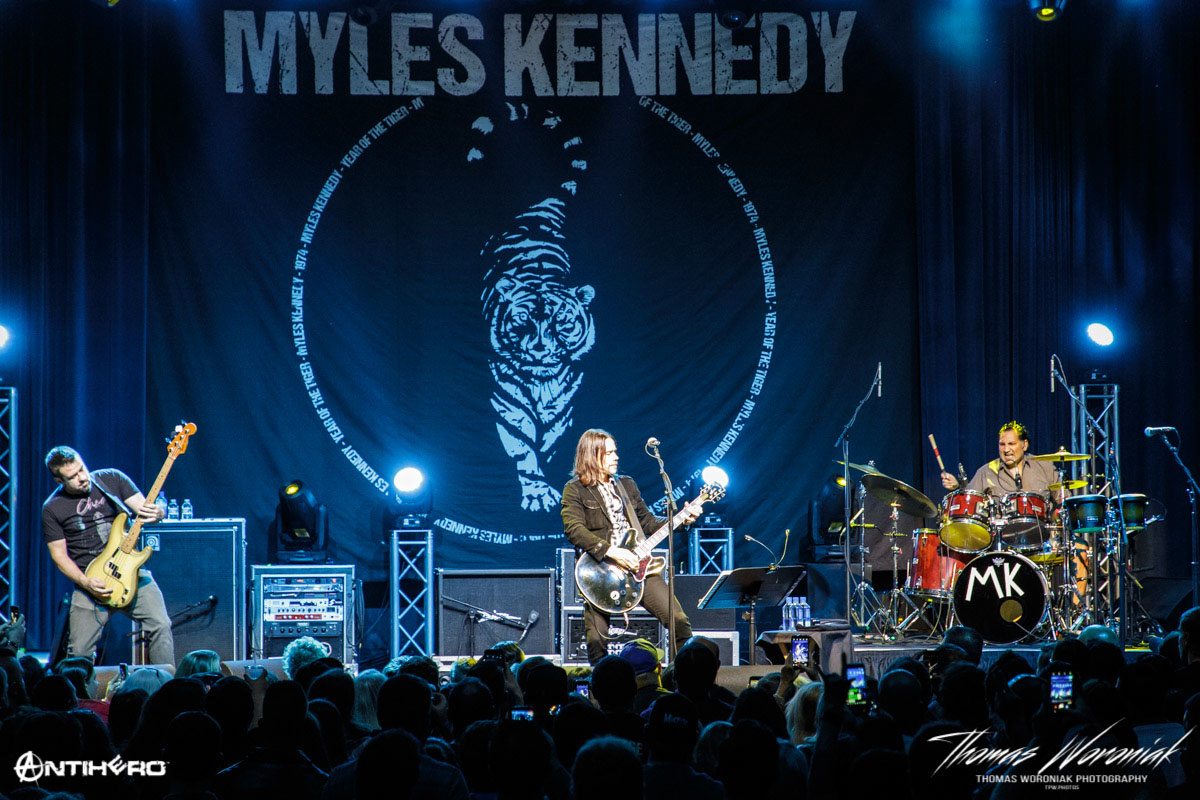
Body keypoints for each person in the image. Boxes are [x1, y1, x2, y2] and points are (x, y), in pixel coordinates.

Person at [561, 429, 698, 665]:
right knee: (596, 641)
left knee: (678, 621)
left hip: (639, 567)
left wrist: (682, 520)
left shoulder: (626, 484)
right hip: (601, 572)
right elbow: (574, 530)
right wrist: (612, 552)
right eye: (609, 453)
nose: (616, 457)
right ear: (591, 455)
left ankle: (679, 680)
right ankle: (602, 686)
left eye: (615, 452)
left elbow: (648, 523)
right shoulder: (575, 489)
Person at [41, 445, 175, 665]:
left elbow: (144, 510)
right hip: (91, 584)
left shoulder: (111, 479)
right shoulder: (52, 508)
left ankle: (168, 682)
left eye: (82, 469)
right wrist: (85, 582)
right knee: (79, 651)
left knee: (161, 625)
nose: (82, 478)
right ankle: (82, 688)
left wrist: (159, 513)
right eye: (72, 477)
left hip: (131, 572)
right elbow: (59, 557)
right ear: (59, 481)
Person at [940, 421, 1058, 500]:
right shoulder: (986, 472)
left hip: (1041, 530)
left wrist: (1057, 515)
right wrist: (956, 487)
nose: (1006, 450)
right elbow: (969, 502)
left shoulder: (1045, 467)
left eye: (1011, 444)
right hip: (1001, 531)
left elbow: (1063, 501)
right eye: (1002, 444)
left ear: (1024, 444)